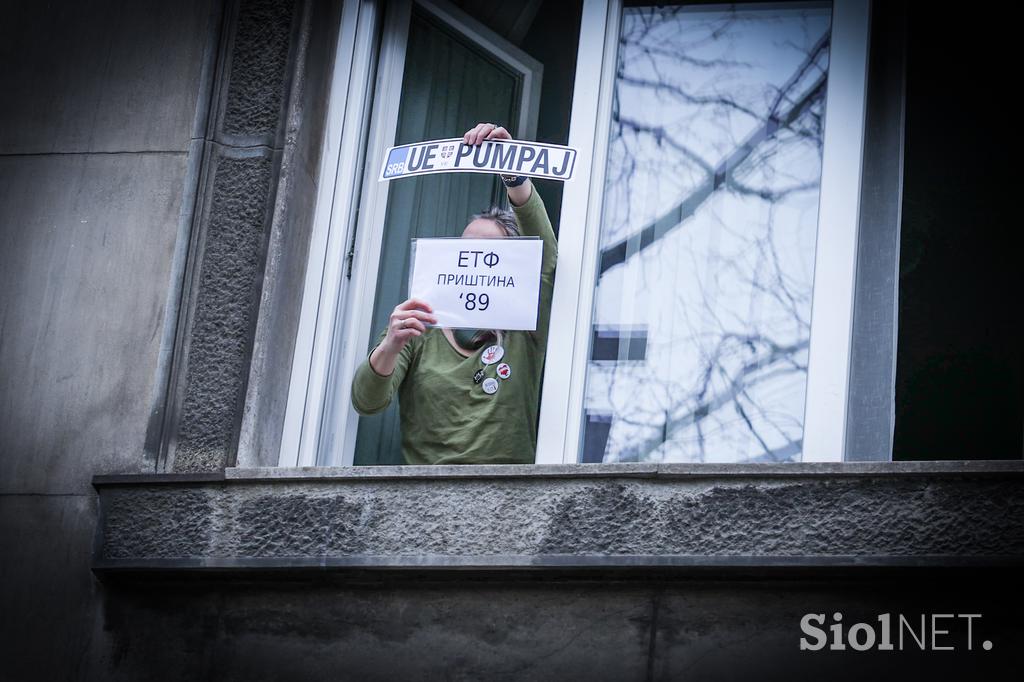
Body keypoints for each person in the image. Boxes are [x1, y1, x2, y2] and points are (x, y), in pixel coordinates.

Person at [351, 122, 557, 465]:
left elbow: (545, 255)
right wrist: (391, 345)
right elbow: (367, 402)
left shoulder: (524, 325)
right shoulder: (418, 321)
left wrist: (513, 172)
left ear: (513, 266)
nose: (473, 261)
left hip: (511, 498)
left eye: (489, 255)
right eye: (465, 250)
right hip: (424, 497)